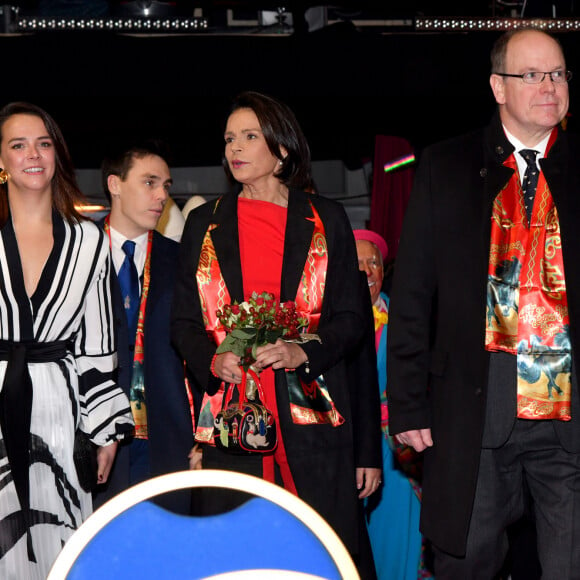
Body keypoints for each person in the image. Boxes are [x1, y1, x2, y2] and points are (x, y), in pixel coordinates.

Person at [387, 27, 580, 579]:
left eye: (560, 73)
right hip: (475, 409)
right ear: (498, 86)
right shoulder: (446, 168)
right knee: (466, 561)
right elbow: (413, 297)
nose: (550, 87)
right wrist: (407, 404)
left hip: (569, 421)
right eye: (533, 75)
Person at [171, 90, 382, 575]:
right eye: (229, 139)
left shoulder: (325, 218)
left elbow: (354, 324)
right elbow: (181, 323)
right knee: (241, 554)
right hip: (232, 419)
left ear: (281, 150)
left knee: (323, 554)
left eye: (249, 136)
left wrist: (301, 350)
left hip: (316, 419)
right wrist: (210, 359)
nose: (235, 149)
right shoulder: (204, 224)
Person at [0, 102, 133, 579]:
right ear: (1, 160)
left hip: (60, 412)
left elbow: (98, 347)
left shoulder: (90, 241)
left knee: (60, 542)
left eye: (43, 142)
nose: (33, 154)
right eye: (18, 145)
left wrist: (104, 431)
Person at [93, 139, 195, 514]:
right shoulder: (76, 253)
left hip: (167, 437)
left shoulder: (182, 260)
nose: (162, 196)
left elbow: (197, 351)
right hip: (94, 433)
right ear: (115, 185)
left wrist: (201, 437)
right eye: (149, 182)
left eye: (166, 186)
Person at [354, 229, 430, 579]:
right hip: (346, 448)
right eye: (358, 263)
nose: (367, 271)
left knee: (398, 540)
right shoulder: (318, 324)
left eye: (374, 263)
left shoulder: (405, 319)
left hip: (397, 448)